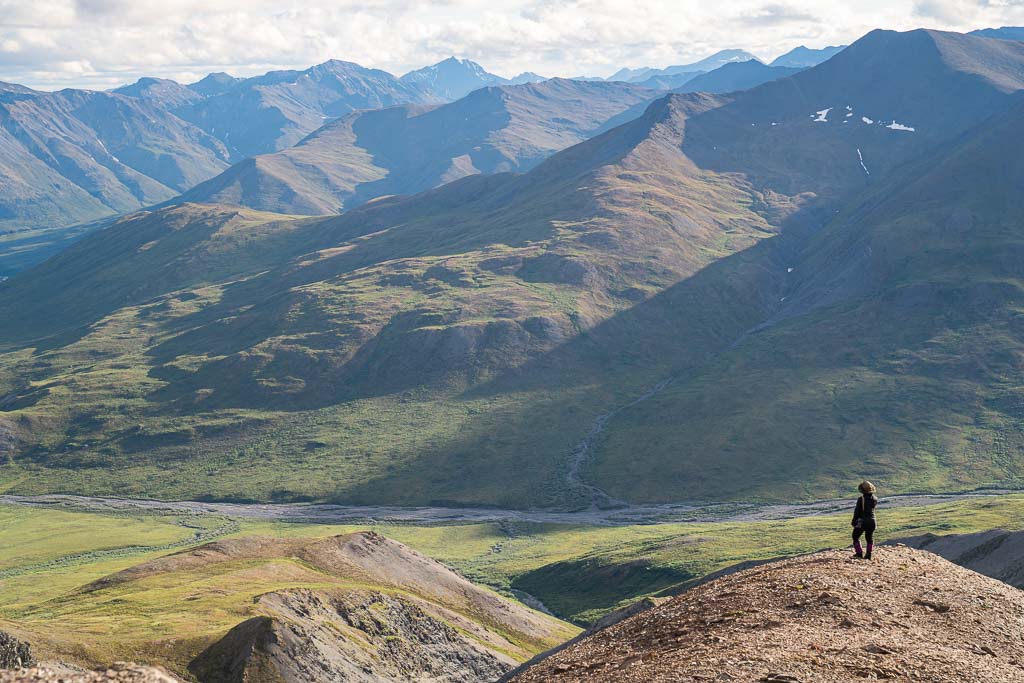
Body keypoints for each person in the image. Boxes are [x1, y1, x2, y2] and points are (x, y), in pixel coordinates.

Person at [851, 480, 877, 560]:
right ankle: (868, 554)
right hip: (872, 521)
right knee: (869, 538)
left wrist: (853, 521)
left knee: (855, 536)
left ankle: (859, 553)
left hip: (862, 522)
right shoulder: (875, 498)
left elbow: (857, 512)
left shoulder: (861, 499)